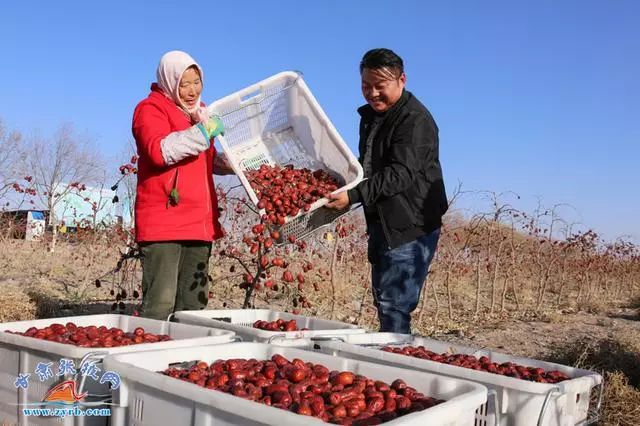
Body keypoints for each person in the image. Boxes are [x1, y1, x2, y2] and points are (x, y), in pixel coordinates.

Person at [327, 48, 448, 334]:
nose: (372, 93)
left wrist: (354, 196)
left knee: (394, 305)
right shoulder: (372, 117)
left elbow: (400, 174)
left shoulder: (415, 120)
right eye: (366, 86)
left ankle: (398, 366)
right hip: (384, 220)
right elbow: (368, 165)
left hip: (409, 224)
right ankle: (393, 361)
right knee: (385, 300)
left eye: (380, 86)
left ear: (401, 80)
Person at [132, 50, 233, 320]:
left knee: (193, 305)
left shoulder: (200, 114)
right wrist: (202, 132)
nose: (191, 90)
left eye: (196, 82)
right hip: (165, 222)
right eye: (184, 83)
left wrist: (236, 164)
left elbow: (205, 160)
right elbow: (159, 150)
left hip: (199, 223)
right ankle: (150, 356)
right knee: (161, 304)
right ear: (170, 81)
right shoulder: (150, 108)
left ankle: (187, 361)